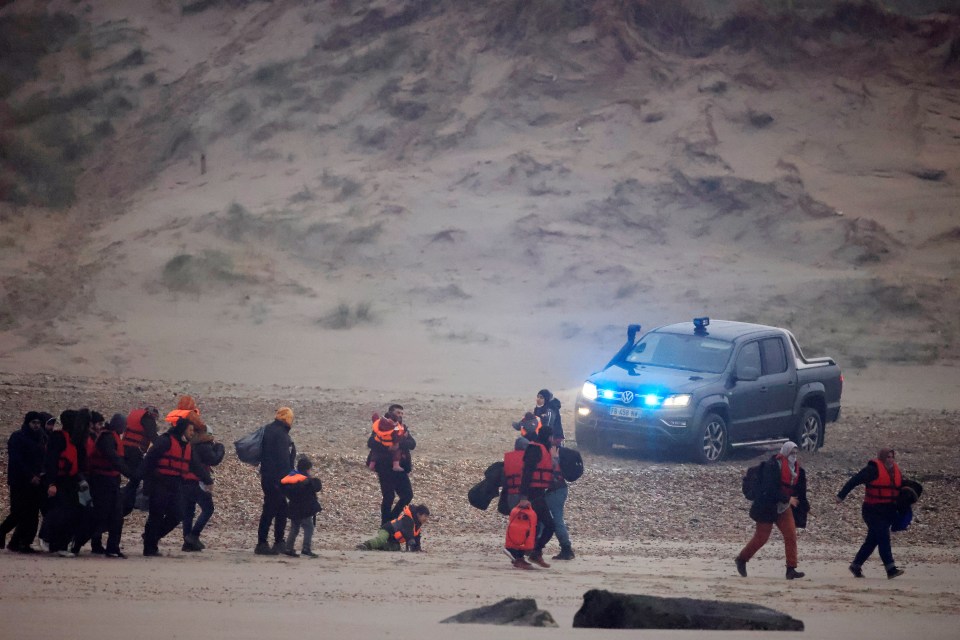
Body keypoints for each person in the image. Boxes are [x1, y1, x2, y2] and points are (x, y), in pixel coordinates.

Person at [735, 441, 809, 580]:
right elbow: (769, 489)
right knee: (761, 538)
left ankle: (791, 569)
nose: (793, 456)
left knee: (791, 535)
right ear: (785, 452)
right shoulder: (772, 466)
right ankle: (742, 559)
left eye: (795, 453)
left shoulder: (799, 471)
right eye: (791, 453)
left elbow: (800, 492)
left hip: (783, 507)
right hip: (766, 506)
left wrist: (804, 506)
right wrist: (788, 498)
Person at [141, 417, 212, 556]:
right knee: (156, 515)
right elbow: (149, 461)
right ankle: (149, 548)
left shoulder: (186, 447)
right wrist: (144, 482)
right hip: (160, 484)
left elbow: (196, 465)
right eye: (190, 430)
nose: (192, 433)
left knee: (178, 513)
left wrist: (208, 480)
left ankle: (151, 538)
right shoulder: (165, 441)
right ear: (183, 430)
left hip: (176, 485)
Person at [836, 447, 906, 579]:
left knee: (872, 540)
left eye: (892, 457)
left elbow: (902, 488)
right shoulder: (872, 470)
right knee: (883, 537)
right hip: (872, 510)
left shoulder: (896, 471)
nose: (890, 460)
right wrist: (841, 496)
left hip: (888, 511)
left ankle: (856, 565)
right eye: (887, 457)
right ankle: (890, 569)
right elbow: (854, 481)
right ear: (882, 458)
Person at [77, 413, 135, 557]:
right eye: (124, 425)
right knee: (99, 516)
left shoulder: (111, 436)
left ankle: (112, 548)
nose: (125, 428)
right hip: (101, 481)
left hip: (111, 481)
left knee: (117, 516)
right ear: (118, 425)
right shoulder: (106, 438)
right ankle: (76, 543)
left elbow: (118, 460)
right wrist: (131, 474)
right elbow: (114, 458)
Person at [502, 426, 555, 568]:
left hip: (538, 493)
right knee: (548, 525)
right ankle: (528, 554)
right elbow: (527, 473)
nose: (552, 440)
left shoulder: (543, 449)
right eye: (551, 437)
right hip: (532, 494)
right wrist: (524, 496)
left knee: (535, 527)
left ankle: (531, 553)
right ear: (547, 436)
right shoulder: (535, 449)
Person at [43, 408, 91, 557]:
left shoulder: (73, 439)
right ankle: (55, 543)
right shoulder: (58, 438)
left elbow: (76, 464)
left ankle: (58, 544)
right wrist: (51, 484)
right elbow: (51, 462)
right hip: (59, 481)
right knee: (64, 512)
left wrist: (81, 480)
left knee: (74, 511)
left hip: (71, 481)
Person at [1, 412, 46, 553]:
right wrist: (29, 476)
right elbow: (17, 460)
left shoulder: (40, 437)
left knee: (32, 513)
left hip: (35, 481)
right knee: (18, 511)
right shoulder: (18, 437)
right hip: (19, 481)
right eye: (34, 423)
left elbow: (40, 459)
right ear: (28, 423)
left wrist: (40, 474)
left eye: (38, 423)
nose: (36, 425)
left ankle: (23, 543)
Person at [255, 407, 297, 555]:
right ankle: (264, 543)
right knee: (272, 509)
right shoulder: (282, 435)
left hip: (267, 477)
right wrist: (287, 481)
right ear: (287, 419)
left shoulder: (268, 429)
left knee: (277, 508)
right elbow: (283, 461)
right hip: (277, 480)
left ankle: (276, 542)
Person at [367, 405, 416, 525]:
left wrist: (399, 444)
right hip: (384, 467)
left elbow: (412, 444)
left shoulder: (402, 428)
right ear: (390, 412)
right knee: (388, 497)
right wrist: (388, 446)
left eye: (402, 413)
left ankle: (391, 519)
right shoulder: (381, 425)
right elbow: (371, 442)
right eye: (398, 412)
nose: (400, 415)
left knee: (407, 495)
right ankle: (385, 524)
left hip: (401, 469)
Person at [181, 422, 225, 552]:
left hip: (185, 481)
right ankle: (193, 536)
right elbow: (214, 460)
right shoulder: (203, 446)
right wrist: (220, 447)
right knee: (208, 509)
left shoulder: (189, 445)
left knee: (188, 511)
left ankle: (187, 542)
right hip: (197, 482)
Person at [120, 405, 160, 516]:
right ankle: (136, 500)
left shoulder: (136, 416)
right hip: (135, 451)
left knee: (135, 477)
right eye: (155, 418)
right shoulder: (148, 419)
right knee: (141, 475)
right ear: (152, 414)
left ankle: (127, 497)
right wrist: (163, 447)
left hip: (124, 449)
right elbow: (153, 437)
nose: (155, 420)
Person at [280, 456, 322, 558]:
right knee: (309, 528)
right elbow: (317, 487)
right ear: (308, 469)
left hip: (293, 507)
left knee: (294, 528)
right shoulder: (307, 481)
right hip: (304, 509)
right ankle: (306, 548)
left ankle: (288, 548)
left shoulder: (290, 479)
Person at [545, 430, 575, 560]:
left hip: (554, 490)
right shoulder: (559, 451)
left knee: (556, 520)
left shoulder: (552, 452)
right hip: (560, 489)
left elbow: (551, 470)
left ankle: (566, 548)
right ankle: (565, 549)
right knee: (555, 519)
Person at [357, 504, 430, 552]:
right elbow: (408, 533)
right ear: (418, 514)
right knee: (381, 540)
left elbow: (416, 537)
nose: (426, 519)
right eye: (425, 516)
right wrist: (411, 542)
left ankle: (375, 547)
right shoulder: (408, 519)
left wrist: (417, 549)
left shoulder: (417, 525)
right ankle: (365, 545)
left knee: (395, 548)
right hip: (387, 530)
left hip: (394, 538)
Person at [503, 500, 537, 569]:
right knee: (524, 530)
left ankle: (515, 554)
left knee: (519, 528)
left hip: (518, 495)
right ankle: (517, 556)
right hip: (523, 495)